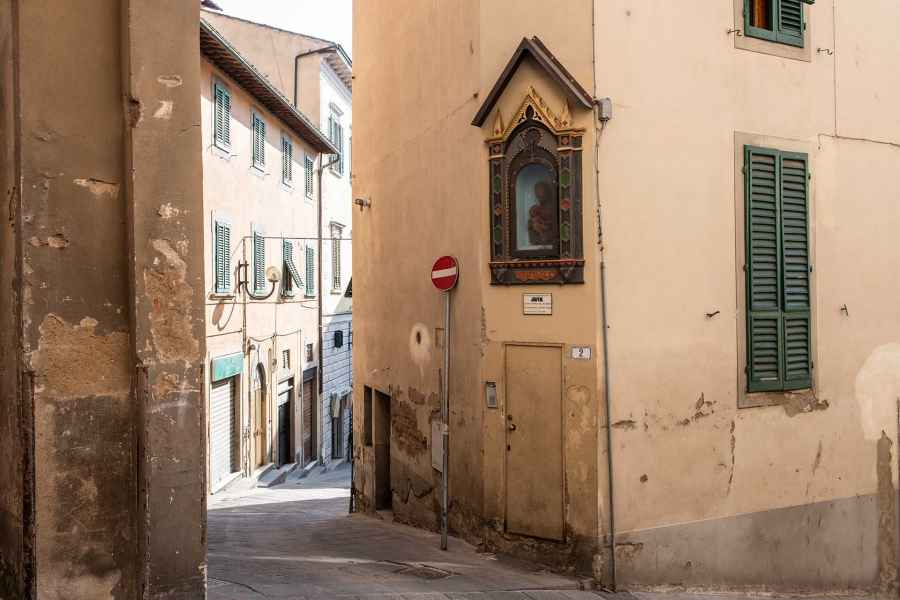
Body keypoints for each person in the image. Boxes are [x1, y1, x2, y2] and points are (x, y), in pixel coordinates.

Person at [527, 180, 557, 247]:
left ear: (547, 192)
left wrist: (544, 225)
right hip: (540, 236)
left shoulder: (553, 207)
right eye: (536, 192)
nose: (538, 194)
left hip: (549, 234)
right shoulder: (536, 208)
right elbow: (532, 223)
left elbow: (553, 224)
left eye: (541, 191)